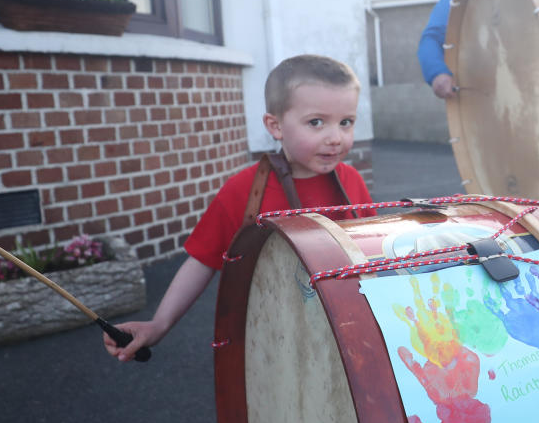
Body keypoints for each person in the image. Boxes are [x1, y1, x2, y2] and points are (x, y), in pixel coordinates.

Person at [103, 54, 376, 361]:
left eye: (346, 123)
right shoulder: (243, 190)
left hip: (345, 335)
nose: (336, 138)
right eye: (316, 122)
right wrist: (159, 324)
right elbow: (202, 261)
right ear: (275, 126)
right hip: (271, 344)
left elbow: (372, 254)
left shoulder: (352, 182)